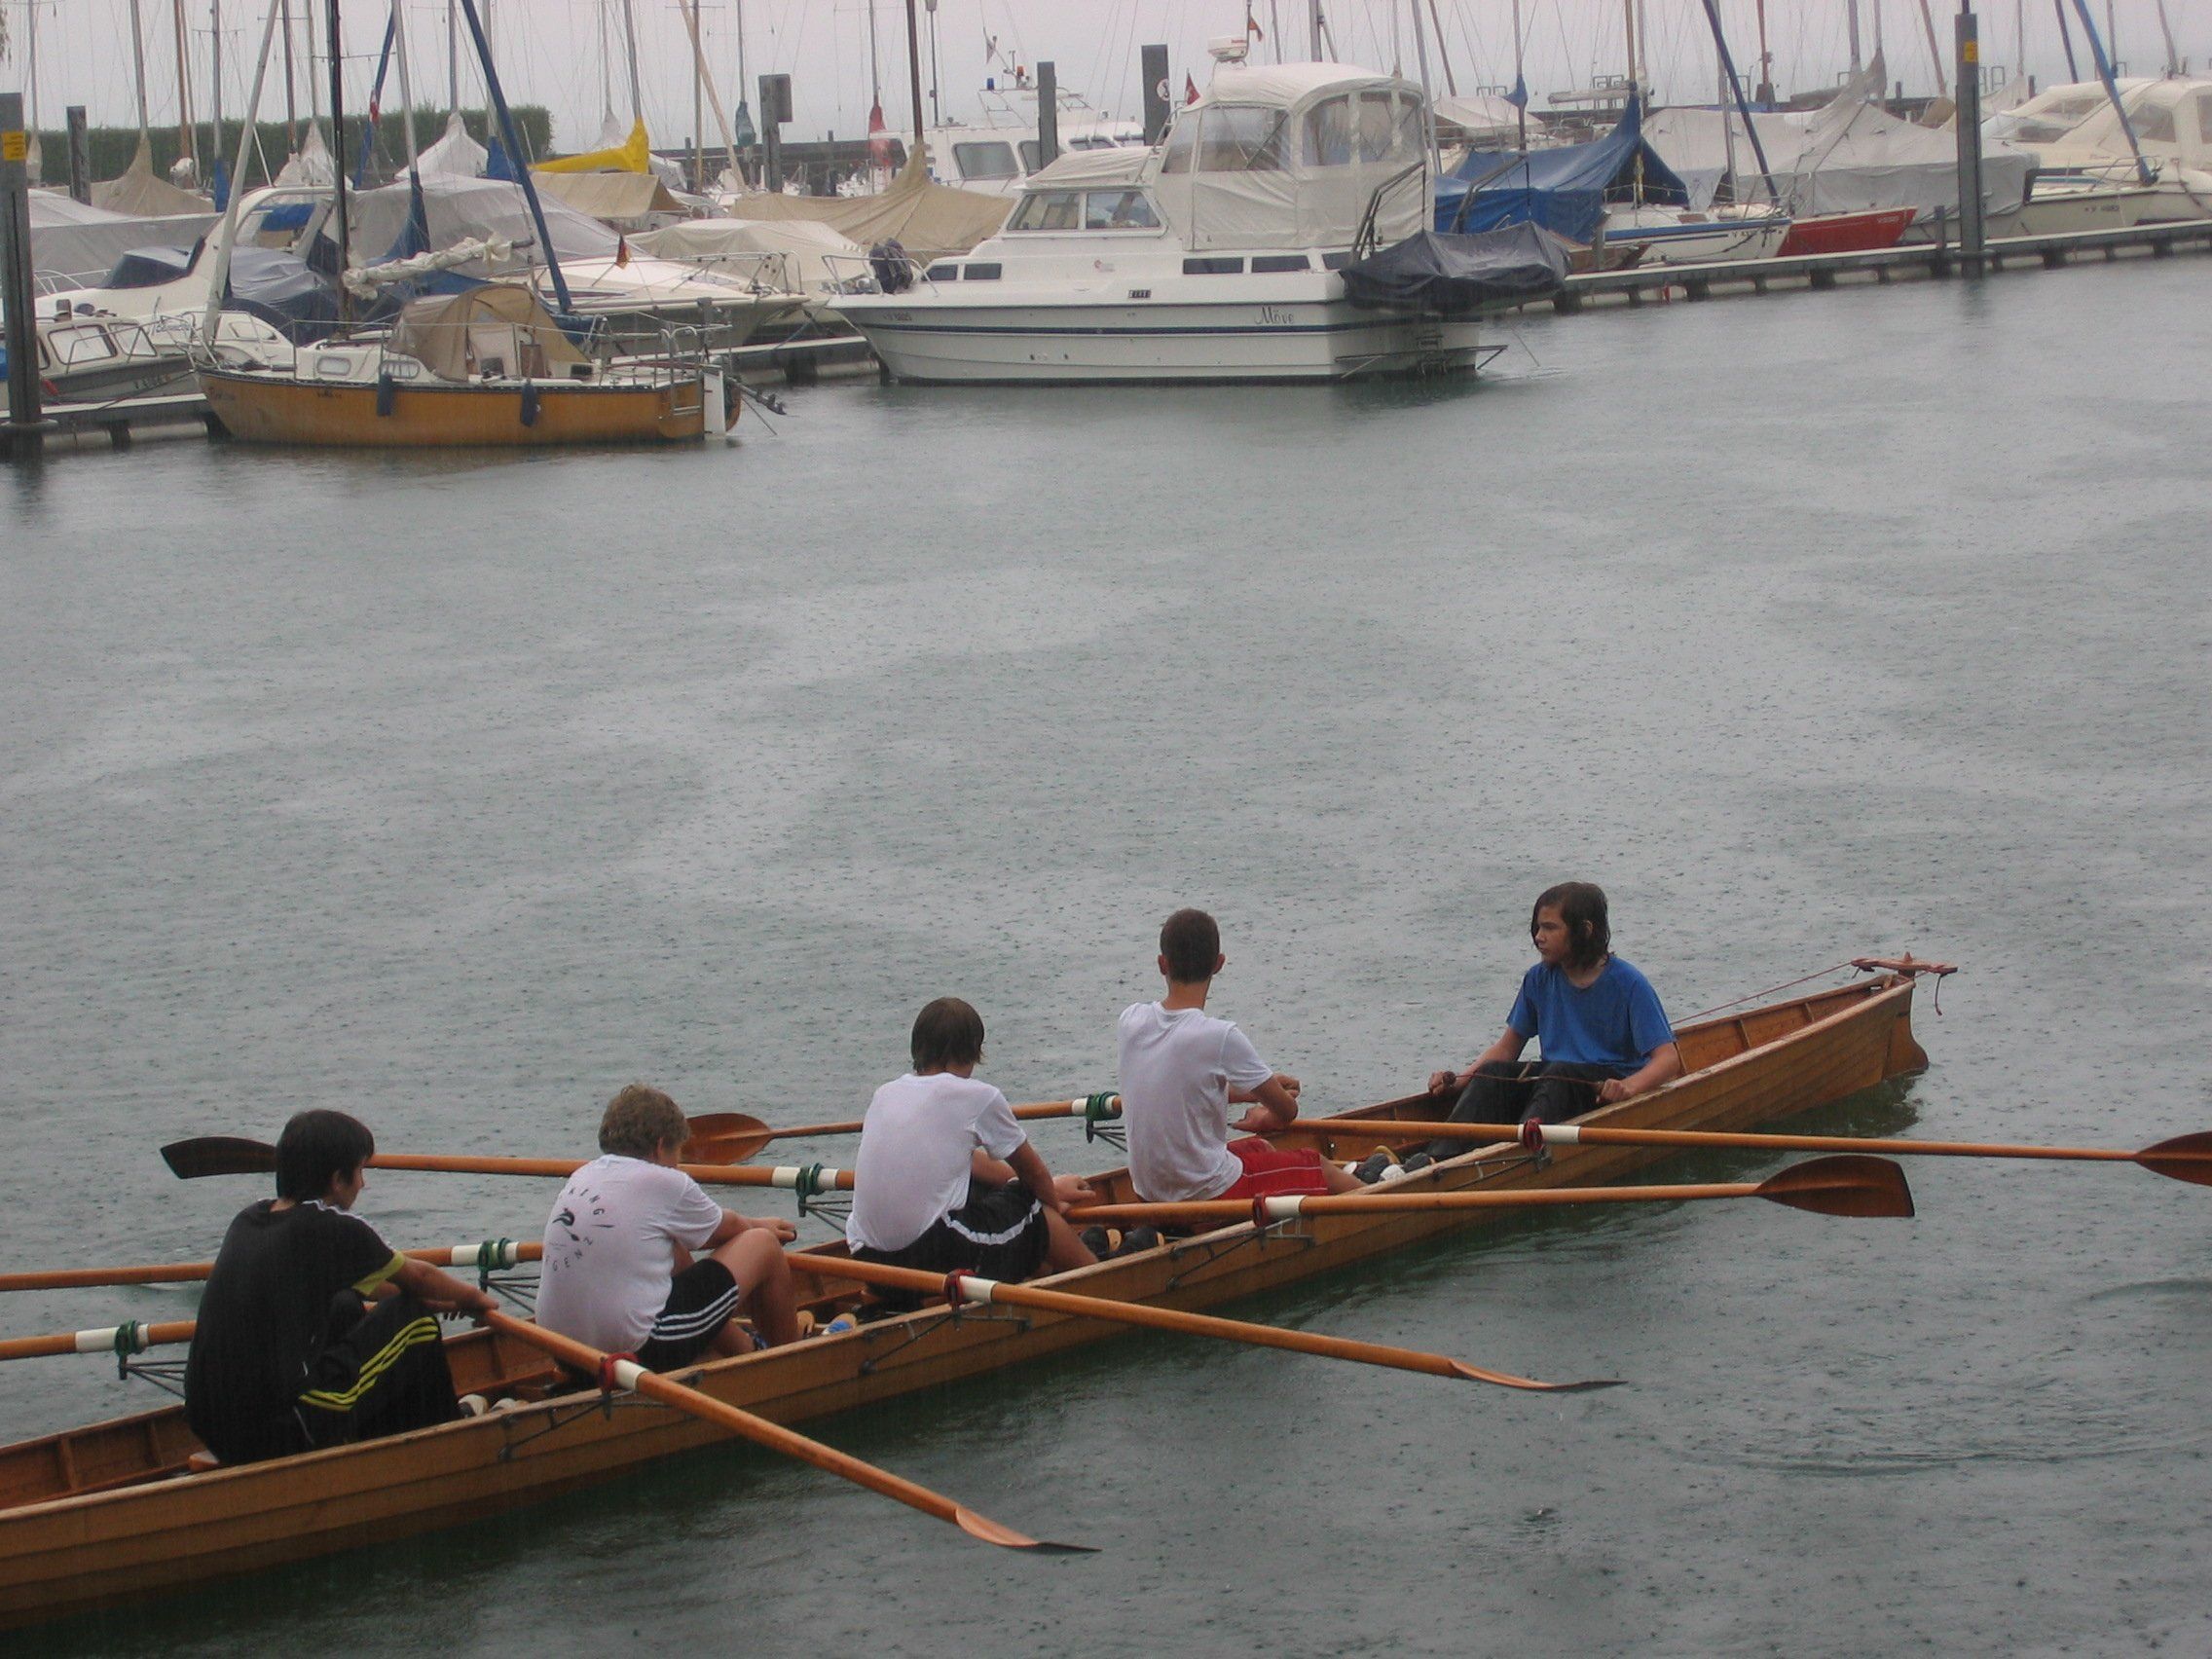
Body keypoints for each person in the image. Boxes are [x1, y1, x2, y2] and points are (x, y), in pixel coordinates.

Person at [183, 1109, 498, 1466]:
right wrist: (476, 1299)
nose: (363, 1183)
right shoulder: (334, 1229)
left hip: (209, 1425)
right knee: (416, 1321)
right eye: (360, 1170)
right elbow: (419, 1278)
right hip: (280, 1430)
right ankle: (448, 1437)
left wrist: (441, 1299)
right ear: (337, 1179)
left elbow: (380, 1285)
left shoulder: (249, 1219)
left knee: (346, 1303)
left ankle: (375, 1430)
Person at [1416, 882, 1680, 1167]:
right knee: (1495, 1073)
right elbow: (1506, 1049)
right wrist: (1460, 1081)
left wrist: (1628, 1087)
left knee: (1558, 1074)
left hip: (1601, 1087)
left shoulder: (1629, 983)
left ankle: (1518, 1158)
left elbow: (1668, 1059)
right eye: (1538, 928)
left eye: (1550, 928)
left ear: (1585, 930)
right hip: (1555, 1084)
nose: (1539, 937)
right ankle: (1435, 1159)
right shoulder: (1538, 979)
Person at [847, 997, 1102, 1292]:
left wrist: (1040, 1186)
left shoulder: (885, 1094)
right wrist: (1054, 1202)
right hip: (930, 1258)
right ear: (970, 1052)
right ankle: (1099, 1277)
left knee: (984, 1191)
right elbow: (1033, 1174)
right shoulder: (978, 1096)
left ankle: (1042, 1267)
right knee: (1030, 1204)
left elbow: (970, 1163)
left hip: (868, 1261)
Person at [537, 1085, 801, 1367]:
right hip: (639, 1352)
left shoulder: (581, 1175)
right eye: (677, 1154)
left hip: (564, 1353)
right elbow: (730, 1227)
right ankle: (790, 1365)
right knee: (763, 1245)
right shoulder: (664, 1180)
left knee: (673, 1246)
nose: (677, 1165)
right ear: (661, 1146)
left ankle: (745, 1350)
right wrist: (763, 1225)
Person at [1118, 907, 1365, 1205]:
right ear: (1219, 964)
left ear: (1162, 964)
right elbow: (1287, 1112)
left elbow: (1184, 1084)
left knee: (1260, 1149)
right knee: (1318, 1167)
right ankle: (1387, 1206)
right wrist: (1266, 1115)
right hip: (1205, 1193)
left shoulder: (1131, 1020)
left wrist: (1252, 1093)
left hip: (1148, 1193)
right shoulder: (1220, 1035)